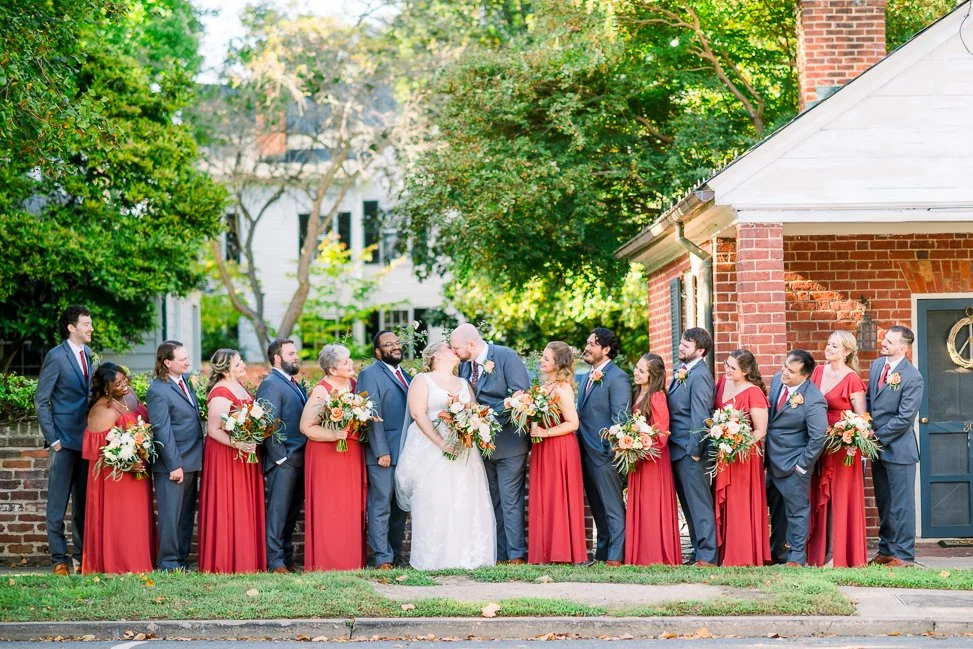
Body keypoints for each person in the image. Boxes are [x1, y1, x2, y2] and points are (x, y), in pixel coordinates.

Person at [394, 342, 496, 569]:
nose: (455, 350)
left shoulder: (463, 383)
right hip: (431, 449)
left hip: (463, 449)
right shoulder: (423, 380)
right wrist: (441, 443)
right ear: (437, 355)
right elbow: (418, 414)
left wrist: (471, 430)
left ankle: (468, 556)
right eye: (450, 348)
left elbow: (474, 412)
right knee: (435, 499)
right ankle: (434, 559)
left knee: (465, 497)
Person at [451, 324, 530, 564]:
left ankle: (516, 554)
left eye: (457, 348)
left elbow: (520, 396)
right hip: (481, 445)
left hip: (509, 443)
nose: (455, 353)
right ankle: (500, 553)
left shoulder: (506, 357)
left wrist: (484, 416)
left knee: (510, 500)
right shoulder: (465, 366)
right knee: (491, 499)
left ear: (471, 345)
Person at [34, 305, 93, 575]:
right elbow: (41, 399)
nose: (91, 328)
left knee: (82, 504)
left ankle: (80, 557)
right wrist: (53, 439)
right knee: (57, 505)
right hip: (63, 442)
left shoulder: (88, 354)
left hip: (85, 441)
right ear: (71, 327)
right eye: (86, 324)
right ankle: (59, 559)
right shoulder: (56, 357)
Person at [81, 363, 155, 574]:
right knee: (123, 519)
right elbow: (100, 452)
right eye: (118, 383)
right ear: (106, 388)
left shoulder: (129, 393)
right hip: (116, 478)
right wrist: (128, 463)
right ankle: (120, 563)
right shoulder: (102, 410)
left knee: (138, 519)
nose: (125, 385)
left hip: (139, 470)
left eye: (125, 380)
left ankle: (140, 560)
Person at [197, 349, 267, 573]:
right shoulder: (220, 393)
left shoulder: (239, 386)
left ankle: (246, 559)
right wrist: (239, 444)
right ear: (225, 369)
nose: (243, 365)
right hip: (226, 456)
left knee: (244, 504)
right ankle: (226, 561)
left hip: (244, 453)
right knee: (229, 503)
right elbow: (214, 430)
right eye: (238, 363)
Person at [300, 344, 367, 571]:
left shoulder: (355, 385)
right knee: (330, 509)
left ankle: (352, 561)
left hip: (351, 453)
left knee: (350, 507)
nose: (351, 364)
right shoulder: (322, 391)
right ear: (332, 370)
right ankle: (327, 562)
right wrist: (333, 435)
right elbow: (306, 427)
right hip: (327, 456)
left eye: (350, 360)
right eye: (345, 362)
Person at [807, 330, 869, 568]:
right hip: (818, 442)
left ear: (846, 351)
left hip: (842, 444)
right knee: (817, 496)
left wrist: (847, 433)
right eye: (829, 344)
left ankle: (840, 554)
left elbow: (861, 417)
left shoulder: (852, 378)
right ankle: (818, 554)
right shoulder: (817, 372)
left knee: (840, 498)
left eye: (835, 346)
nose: (829, 348)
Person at [867, 326, 923, 568]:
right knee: (885, 502)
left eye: (889, 341)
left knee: (902, 504)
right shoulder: (877, 366)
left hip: (899, 449)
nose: (884, 343)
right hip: (877, 449)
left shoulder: (912, 377)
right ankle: (886, 550)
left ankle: (904, 555)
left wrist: (876, 435)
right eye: (884, 338)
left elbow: (904, 418)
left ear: (903, 347)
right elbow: (871, 400)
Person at [145, 340, 204, 571]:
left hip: (191, 458)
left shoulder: (184, 381)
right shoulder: (158, 390)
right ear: (167, 362)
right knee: (171, 516)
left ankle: (180, 559)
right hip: (173, 462)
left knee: (186, 514)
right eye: (182, 359)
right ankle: (168, 563)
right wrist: (174, 465)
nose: (187, 361)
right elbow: (162, 429)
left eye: (187, 357)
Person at [766, 350, 829, 566]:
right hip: (771, 461)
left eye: (790, 371)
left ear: (805, 376)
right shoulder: (776, 381)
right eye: (784, 366)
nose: (784, 372)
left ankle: (796, 557)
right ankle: (776, 553)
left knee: (797, 512)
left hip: (793, 464)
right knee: (776, 510)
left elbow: (818, 437)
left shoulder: (813, 400)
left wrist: (802, 466)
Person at [527, 342, 586, 565]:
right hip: (544, 446)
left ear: (558, 363)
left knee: (558, 496)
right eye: (542, 357)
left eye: (546, 358)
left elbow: (573, 423)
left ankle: (562, 551)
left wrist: (545, 431)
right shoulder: (545, 387)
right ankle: (545, 550)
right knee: (546, 497)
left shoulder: (562, 389)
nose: (541, 361)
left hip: (560, 447)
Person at [576, 327, 631, 566]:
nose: (586, 347)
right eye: (587, 342)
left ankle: (618, 556)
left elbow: (621, 417)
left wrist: (612, 451)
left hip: (605, 454)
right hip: (586, 453)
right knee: (597, 508)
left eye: (592, 344)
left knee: (612, 507)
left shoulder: (618, 377)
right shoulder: (587, 376)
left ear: (606, 350)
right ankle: (603, 553)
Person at [356, 331, 410, 569]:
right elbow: (371, 414)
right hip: (384, 453)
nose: (395, 347)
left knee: (399, 507)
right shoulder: (369, 375)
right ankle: (382, 558)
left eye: (397, 343)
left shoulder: (405, 375)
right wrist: (381, 451)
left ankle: (395, 554)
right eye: (389, 345)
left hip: (406, 451)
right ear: (378, 352)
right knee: (380, 505)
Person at [712, 350, 772, 567]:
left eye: (732, 368)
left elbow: (760, 431)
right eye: (726, 364)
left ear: (745, 371)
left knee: (740, 503)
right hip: (724, 453)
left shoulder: (754, 393)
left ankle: (743, 554)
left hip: (744, 456)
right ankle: (725, 552)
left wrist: (736, 446)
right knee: (725, 501)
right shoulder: (722, 383)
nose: (727, 370)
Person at [667, 327, 718, 567]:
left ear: (701, 351)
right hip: (677, 448)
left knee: (698, 503)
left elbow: (701, 416)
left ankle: (708, 554)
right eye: (681, 343)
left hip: (690, 451)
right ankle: (698, 550)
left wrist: (696, 451)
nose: (680, 348)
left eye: (686, 346)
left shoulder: (700, 376)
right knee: (687, 503)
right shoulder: (683, 371)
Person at [256, 338, 308, 574]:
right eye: (291, 353)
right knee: (278, 513)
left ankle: (286, 557)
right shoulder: (270, 384)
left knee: (290, 513)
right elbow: (268, 423)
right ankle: (275, 561)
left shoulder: (293, 383)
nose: (296, 357)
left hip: (299, 458)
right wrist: (280, 458)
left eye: (295, 353)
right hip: (284, 460)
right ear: (277, 358)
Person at [625, 353, 681, 566]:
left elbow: (662, 433)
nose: (636, 373)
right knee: (639, 503)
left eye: (641, 370)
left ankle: (654, 554)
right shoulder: (637, 393)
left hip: (653, 460)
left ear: (653, 375)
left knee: (651, 505)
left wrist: (642, 447)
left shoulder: (657, 397)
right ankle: (639, 554)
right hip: (637, 459)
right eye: (637, 368)